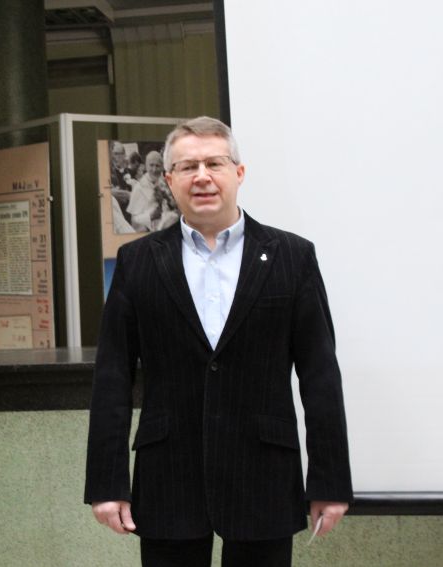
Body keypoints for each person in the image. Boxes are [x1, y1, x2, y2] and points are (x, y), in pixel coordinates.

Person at [85, 117, 353, 567]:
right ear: (169, 180)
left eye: (214, 163)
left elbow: (320, 375)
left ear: (239, 173)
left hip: (263, 475)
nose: (202, 176)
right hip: (168, 476)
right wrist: (107, 484)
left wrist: (329, 481)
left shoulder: (292, 256)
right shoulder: (138, 262)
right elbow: (112, 377)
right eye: (187, 166)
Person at [127, 150, 179, 232]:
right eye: (151, 165)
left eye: (157, 166)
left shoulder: (163, 182)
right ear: (146, 166)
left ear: (162, 167)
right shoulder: (139, 187)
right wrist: (150, 216)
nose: (154, 170)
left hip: (167, 221)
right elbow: (134, 221)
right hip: (149, 229)